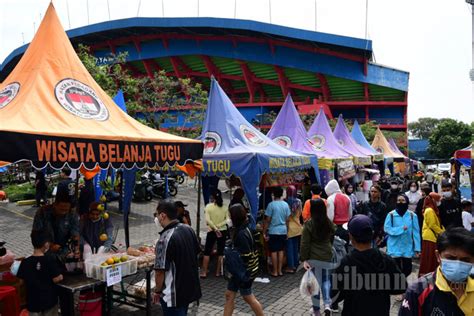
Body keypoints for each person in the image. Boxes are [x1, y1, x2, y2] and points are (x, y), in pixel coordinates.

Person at [332, 215, 407, 315]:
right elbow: (401, 286)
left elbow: (334, 295)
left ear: (351, 236)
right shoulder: (386, 260)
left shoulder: (346, 262)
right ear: (372, 234)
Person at [399, 228, 474, 315]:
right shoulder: (418, 290)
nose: (458, 265)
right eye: (451, 258)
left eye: (465, 260)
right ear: (438, 256)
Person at [153, 200, 201, 315]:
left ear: (163, 215)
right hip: (189, 288)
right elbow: (196, 253)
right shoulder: (188, 229)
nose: (156, 218)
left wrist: (157, 291)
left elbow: (159, 271)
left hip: (173, 294)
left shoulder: (164, 239)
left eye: (156, 214)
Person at [223, 204, 264, 316]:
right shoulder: (248, 228)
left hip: (243, 272)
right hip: (245, 271)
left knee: (247, 297)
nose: (229, 218)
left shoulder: (241, 233)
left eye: (230, 215)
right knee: (229, 295)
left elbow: (246, 256)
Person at [301, 199, 336, 316]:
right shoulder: (328, 222)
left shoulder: (309, 224)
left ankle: (316, 310)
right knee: (326, 280)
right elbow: (333, 235)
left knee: (314, 283)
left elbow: (305, 244)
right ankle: (327, 304)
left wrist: (304, 258)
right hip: (327, 254)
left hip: (313, 257)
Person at [17, 230, 63, 316]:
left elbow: (21, 282)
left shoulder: (25, 262)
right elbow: (57, 279)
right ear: (46, 244)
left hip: (33, 303)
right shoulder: (50, 260)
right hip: (49, 301)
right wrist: (61, 276)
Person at [32, 192, 80, 261]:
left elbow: (75, 233)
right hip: (44, 250)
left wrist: (76, 249)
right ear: (54, 205)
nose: (63, 212)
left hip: (65, 251)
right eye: (61, 209)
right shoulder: (42, 212)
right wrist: (50, 245)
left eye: (66, 210)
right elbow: (36, 234)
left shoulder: (72, 213)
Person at [383, 194, 421, 281]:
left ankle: (402, 282)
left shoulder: (412, 216)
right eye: (398, 200)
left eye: (402, 200)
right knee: (396, 269)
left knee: (407, 269)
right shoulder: (391, 215)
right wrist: (400, 229)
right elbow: (387, 228)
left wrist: (417, 248)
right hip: (394, 246)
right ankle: (400, 287)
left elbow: (416, 233)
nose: (400, 202)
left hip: (407, 245)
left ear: (407, 202)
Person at [263, 186, 290, 277]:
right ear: (282, 194)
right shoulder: (285, 205)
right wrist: (287, 231)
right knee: (281, 250)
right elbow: (287, 220)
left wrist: (264, 231)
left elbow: (267, 220)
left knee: (274, 251)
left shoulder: (271, 205)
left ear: (273, 194)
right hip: (283, 230)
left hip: (273, 231)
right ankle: (280, 271)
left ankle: (275, 271)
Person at [201, 189, 228, 278]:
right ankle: (218, 272)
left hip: (212, 231)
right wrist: (219, 227)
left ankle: (204, 272)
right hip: (222, 231)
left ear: (212, 197)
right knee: (220, 252)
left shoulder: (208, 207)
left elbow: (208, 220)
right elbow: (227, 220)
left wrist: (215, 228)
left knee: (207, 251)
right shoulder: (225, 207)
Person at [418, 193, 445, 276]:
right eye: (438, 200)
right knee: (430, 258)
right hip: (430, 237)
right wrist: (442, 232)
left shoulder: (432, 209)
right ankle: (427, 275)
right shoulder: (429, 210)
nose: (439, 202)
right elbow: (432, 225)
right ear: (434, 200)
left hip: (432, 237)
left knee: (431, 258)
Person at [325, 179, 352, 244]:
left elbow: (330, 217)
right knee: (345, 249)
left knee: (336, 251)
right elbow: (350, 214)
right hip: (346, 227)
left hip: (336, 228)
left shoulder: (330, 198)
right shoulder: (347, 197)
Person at [285, 185, 302, 274]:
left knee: (289, 248)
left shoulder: (285, 202)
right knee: (296, 247)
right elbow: (301, 213)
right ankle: (296, 263)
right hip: (298, 226)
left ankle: (291, 266)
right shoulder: (299, 201)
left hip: (289, 227)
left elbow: (286, 216)